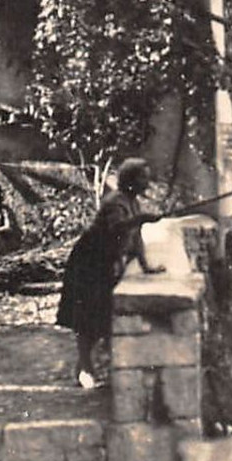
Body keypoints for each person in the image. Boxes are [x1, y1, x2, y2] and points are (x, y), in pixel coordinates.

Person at [56, 158, 163, 389]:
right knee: (87, 318)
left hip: (103, 263)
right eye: (143, 177)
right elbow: (116, 229)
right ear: (131, 180)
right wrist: (141, 219)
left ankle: (85, 366)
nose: (147, 182)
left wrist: (147, 266)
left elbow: (136, 237)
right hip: (89, 262)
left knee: (102, 316)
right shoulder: (115, 202)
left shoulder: (132, 202)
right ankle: (85, 369)